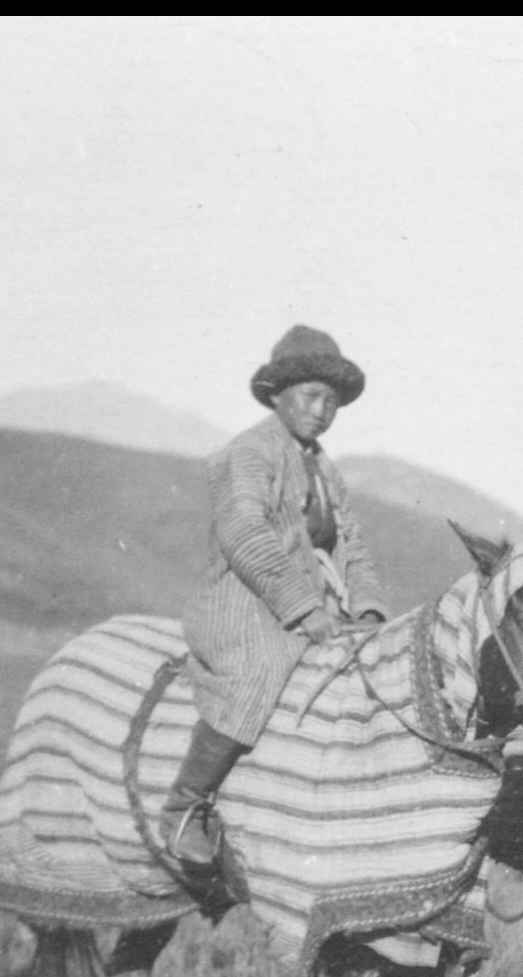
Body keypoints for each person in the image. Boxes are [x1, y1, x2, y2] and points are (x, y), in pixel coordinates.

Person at [165, 325, 386, 874]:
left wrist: (370, 610)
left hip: (313, 608)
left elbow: (352, 543)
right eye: (311, 396)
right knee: (259, 672)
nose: (322, 410)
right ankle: (185, 807)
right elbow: (245, 532)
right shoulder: (247, 454)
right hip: (244, 604)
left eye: (331, 401)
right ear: (278, 395)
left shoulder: (324, 468)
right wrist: (302, 608)